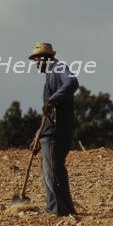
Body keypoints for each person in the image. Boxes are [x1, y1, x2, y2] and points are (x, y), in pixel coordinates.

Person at [28, 42, 79, 216]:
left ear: (44, 58)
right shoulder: (50, 74)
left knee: (54, 171)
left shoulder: (58, 69)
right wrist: (38, 136)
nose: (36, 64)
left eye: (36, 60)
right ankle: (52, 207)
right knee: (48, 170)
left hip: (57, 131)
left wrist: (53, 100)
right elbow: (47, 115)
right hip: (50, 131)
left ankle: (60, 210)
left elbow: (72, 82)